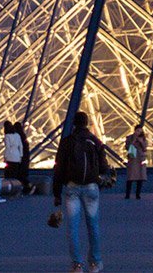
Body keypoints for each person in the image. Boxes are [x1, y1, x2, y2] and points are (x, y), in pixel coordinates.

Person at [52, 112, 108, 273]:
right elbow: (104, 168)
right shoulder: (95, 141)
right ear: (87, 123)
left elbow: (59, 168)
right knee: (93, 226)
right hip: (91, 187)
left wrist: (57, 193)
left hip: (72, 187)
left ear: (74, 124)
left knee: (73, 228)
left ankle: (77, 265)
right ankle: (95, 263)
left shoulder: (67, 142)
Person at [123, 125, 147, 199]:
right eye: (138, 131)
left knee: (140, 178)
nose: (139, 132)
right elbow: (127, 147)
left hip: (140, 158)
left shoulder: (143, 138)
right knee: (130, 177)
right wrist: (133, 142)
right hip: (132, 158)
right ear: (135, 130)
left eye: (140, 131)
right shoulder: (129, 138)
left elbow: (145, 148)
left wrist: (141, 142)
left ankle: (138, 194)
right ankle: (127, 194)